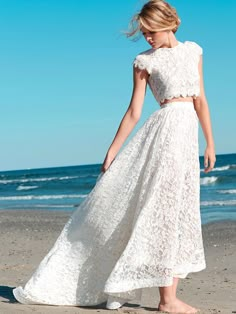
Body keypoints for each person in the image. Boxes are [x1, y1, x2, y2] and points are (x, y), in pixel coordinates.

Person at [12, 0, 216, 313]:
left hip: (187, 139)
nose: (147, 37)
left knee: (179, 213)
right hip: (163, 136)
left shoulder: (194, 51)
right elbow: (135, 111)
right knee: (161, 212)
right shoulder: (144, 62)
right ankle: (167, 300)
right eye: (144, 32)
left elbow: (200, 100)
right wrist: (113, 149)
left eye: (152, 31)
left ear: (170, 23)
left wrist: (210, 143)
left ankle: (169, 297)